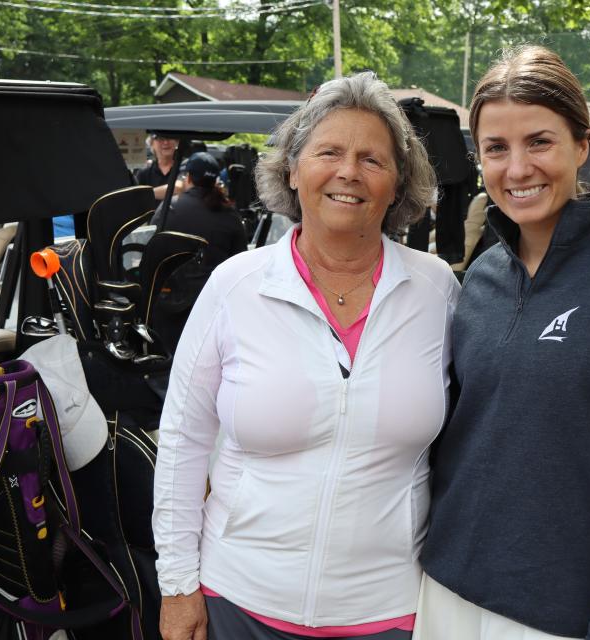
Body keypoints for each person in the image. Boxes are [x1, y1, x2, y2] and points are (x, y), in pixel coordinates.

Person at [152, 71, 458, 640]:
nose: (348, 172)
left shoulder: (437, 291)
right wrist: (177, 585)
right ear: (293, 170)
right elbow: (182, 442)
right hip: (236, 602)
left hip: (388, 611)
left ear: (398, 184)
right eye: (329, 152)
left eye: (373, 159)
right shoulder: (235, 285)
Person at [416, 46, 590, 640]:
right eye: (496, 148)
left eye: (539, 142)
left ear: (582, 146)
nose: (517, 168)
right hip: (443, 592)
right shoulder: (479, 280)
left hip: (564, 615)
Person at [149, 151, 248, 353]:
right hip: (214, 307)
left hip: (170, 307)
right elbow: (240, 262)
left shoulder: (170, 208)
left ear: (188, 178)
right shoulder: (230, 214)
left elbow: (151, 253)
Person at [135, 133, 184, 204]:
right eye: (160, 139)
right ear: (152, 143)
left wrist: (145, 195)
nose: (166, 142)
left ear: (176, 142)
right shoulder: (144, 172)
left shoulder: (184, 166)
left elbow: (179, 187)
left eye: (170, 138)